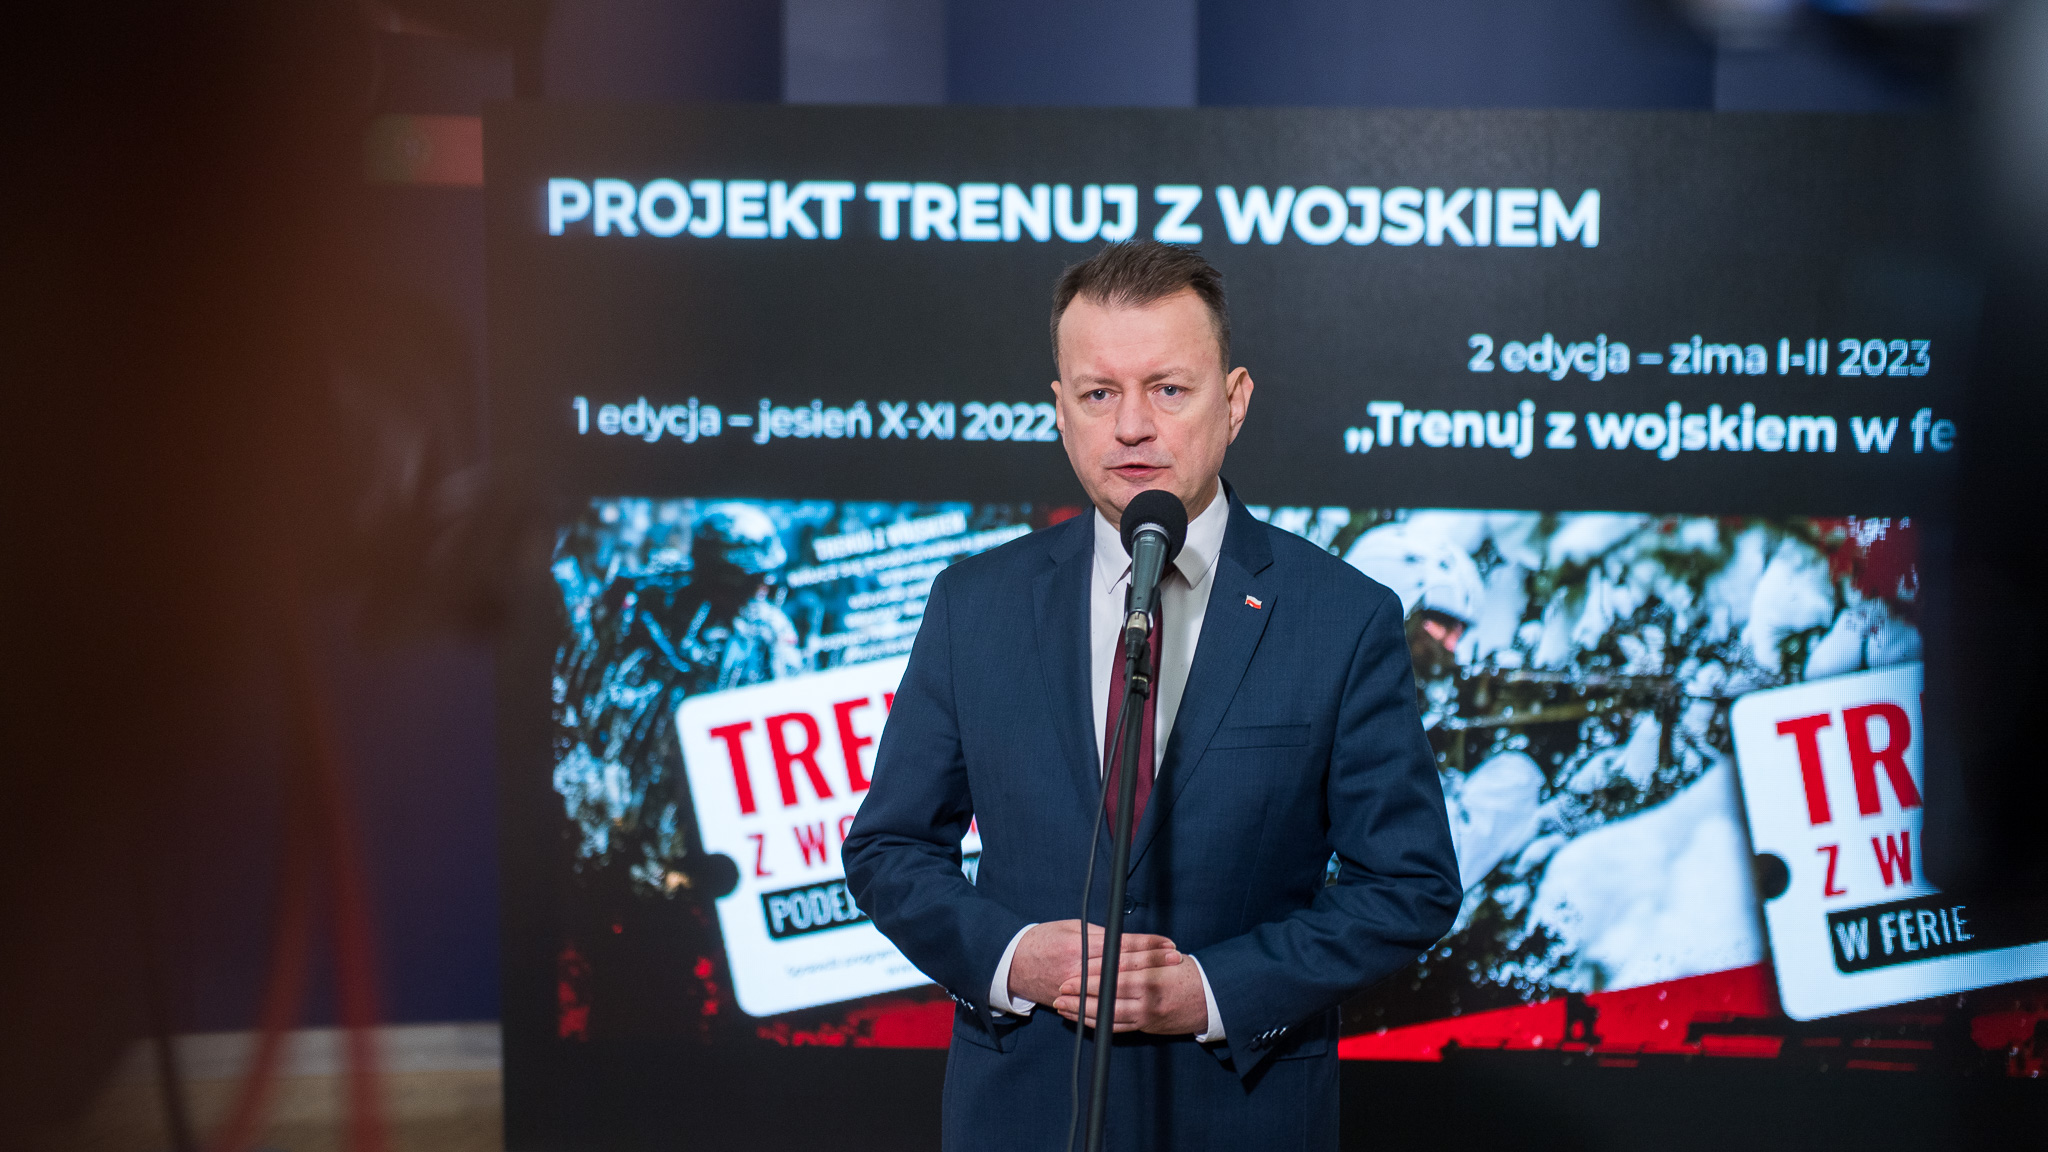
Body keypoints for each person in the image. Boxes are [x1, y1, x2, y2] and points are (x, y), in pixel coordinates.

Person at [844, 241, 1459, 1150]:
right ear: (1061, 411)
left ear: (1234, 401)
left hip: (1240, 1116)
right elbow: (890, 849)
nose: (1132, 426)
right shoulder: (975, 605)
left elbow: (1408, 885)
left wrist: (1212, 991)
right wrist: (1015, 960)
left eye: (1168, 389)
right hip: (1022, 1112)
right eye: (1099, 394)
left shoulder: (1342, 617)